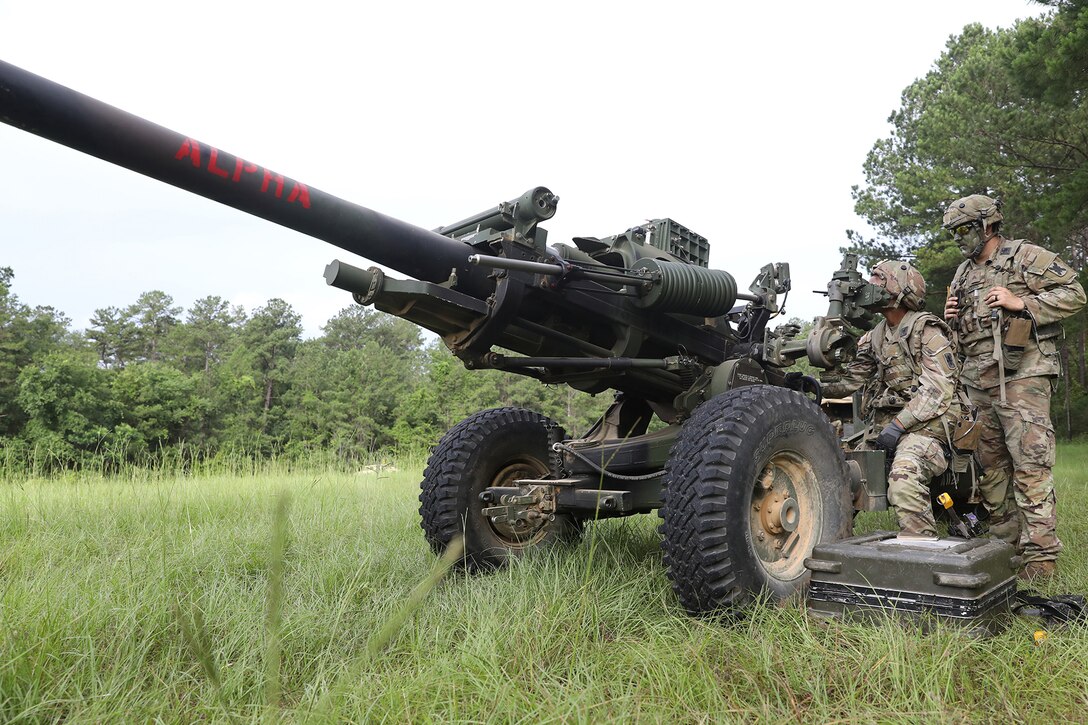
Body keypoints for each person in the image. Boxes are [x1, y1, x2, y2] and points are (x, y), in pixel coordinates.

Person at [943, 194, 1085, 580]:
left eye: (964, 230)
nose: (958, 239)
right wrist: (951, 318)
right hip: (978, 380)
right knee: (991, 469)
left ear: (988, 225)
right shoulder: (962, 273)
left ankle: (1040, 558)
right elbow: (965, 333)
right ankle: (1004, 548)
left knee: (1030, 463)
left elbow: (1075, 293)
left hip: (1022, 376)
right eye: (953, 232)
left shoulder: (1025, 256)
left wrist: (1020, 302)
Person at [821, 260, 961, 537]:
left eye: (877, 278)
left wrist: (897, 427)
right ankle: (833, 547)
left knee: (903, 478)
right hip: (889, 428)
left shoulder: (927, 330)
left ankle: (919, 552)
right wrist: (815, 381)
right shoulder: (875, 336)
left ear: (899, 286)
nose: (869, 284)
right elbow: (848, 382)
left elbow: (938, 391)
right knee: (839, 475)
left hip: (928, 426)